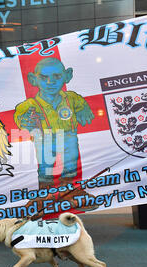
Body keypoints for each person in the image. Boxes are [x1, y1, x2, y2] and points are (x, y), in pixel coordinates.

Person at [14, 57, 96, 211]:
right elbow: (20, 120)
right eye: (44, 78)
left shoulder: (72, 97)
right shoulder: (29, 105)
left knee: (71, 163)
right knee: (46, 166)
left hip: (69, 136)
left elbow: (83, 106)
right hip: (44, 139)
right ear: (33, 79)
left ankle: (71, 192)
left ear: (67, 75)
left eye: (57, 77)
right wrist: (26, 122)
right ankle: (45, 195)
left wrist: (84, 110)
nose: (50, 82)